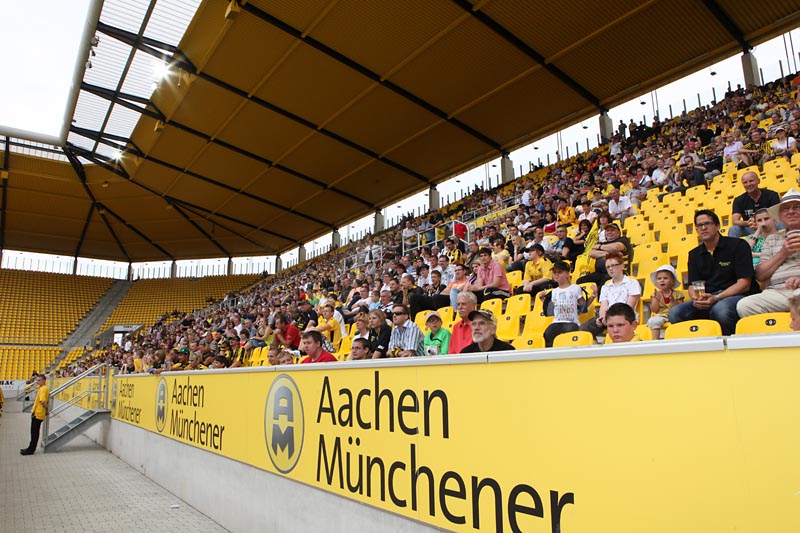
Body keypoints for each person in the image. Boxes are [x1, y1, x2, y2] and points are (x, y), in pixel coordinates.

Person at [669, 210, 755, 335]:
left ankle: (730, 343)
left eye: (707, 223)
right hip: (708, 297)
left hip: (735, 295)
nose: (703, 228)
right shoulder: (694, 254)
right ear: (696, 230)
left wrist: (717, 297)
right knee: (675, 313)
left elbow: (744, 283)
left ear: (717, 226)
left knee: (721, 310)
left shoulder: (738, 245)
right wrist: (697, 298)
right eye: (699, 225)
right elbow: (693, 285)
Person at [737, 189, 800, 316]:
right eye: (786, 209)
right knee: (745, 306)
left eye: (796, 207)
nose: (791, 211)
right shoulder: (772, 239)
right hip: (777, 293)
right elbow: (760, 275)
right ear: (780, 216)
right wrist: (783, 253)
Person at [580, 252, 641, 339]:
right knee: (583, 329)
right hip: (608, 319)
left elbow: (628, 307)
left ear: (622, 266)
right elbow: (603, 307)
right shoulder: (605, 286)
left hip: (625, 318)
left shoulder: (632, 283)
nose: (610, 269)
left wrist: (610, 319)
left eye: (613, 265)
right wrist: (602, 318)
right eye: (608, 267)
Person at [542, 261, 584, 347]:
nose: (556, 275)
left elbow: (583, 305)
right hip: (557, 321)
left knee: (569, 331)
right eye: (554, 273)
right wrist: (543, 301)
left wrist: (593, 295)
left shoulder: (575, 288)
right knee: (548, 334)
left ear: (567, 274)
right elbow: (555, 308)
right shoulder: (554, 291)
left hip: (572, 321)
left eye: (560, 272)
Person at [728, 171, 780, 239]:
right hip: (751, 228)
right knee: (733, 229)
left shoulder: (772, 195)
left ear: (758, 181)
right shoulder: (739, 200)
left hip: (770, 225)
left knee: (780, 223)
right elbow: (735, 221)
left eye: (751, 181)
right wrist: (748, 223)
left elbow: (777, 214)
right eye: (745, 182)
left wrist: (761, 222)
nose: (748, 184)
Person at [646, 265, 685, 340]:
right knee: (653, 321)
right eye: (659, 278)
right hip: (661, 315)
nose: (662, 280)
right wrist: (656, 299)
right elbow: (654, 310)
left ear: (672, 281)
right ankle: (655, 341)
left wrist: (673, 300)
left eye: (665, 278)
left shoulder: (678, 294)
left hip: (674, 316)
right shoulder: (655, 294)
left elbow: (680, 309)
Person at [20, 374, 48, 455]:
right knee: (34, 432)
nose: (38, 382)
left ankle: (31, 449)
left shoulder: (43, 389)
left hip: (38, 413)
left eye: (39, 380)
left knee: (34, 432)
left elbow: (43, 401)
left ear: (44, 380)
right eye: (37, 380)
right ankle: (30, 447)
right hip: (37, 412)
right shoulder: (41, 388)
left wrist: (47, 409)